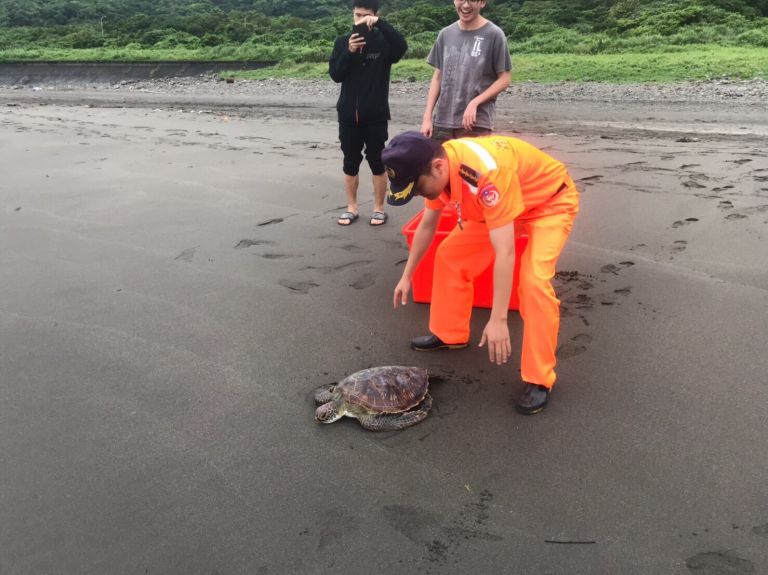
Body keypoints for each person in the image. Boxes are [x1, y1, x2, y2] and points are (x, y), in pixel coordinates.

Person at [382, 131, 579, 414]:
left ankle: (539, 379)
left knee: (534, 282)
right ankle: (449, 334)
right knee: (451, 255)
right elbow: (428, 225)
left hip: (548, 205)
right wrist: (407, 275)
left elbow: (505, 252)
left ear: (438, 167)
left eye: (418, 188)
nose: (418, 194)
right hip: (499, 208)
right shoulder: (436, 166)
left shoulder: (485, 174)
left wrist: (498, 319)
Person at [329, 0, 407, 226]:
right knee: (350, 161)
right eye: (356, 15)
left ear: (374, 15)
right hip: (347, 115)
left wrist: (382, 24)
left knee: (377, 160)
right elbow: (336, 74)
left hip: (375, 114)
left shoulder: (384, 43)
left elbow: (401, 47)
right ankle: (351, 207)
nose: (360, 20)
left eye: (365, 15)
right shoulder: (342, 42)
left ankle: (378, 208)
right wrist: (349, 51)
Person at [421, 0, 511, 142]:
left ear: (482, 3)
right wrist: (427, 117)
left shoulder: (494, 34)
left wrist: (475, 102)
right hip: (442, 122)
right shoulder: (445, 34)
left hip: (476, 122)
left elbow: (504, 79)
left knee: (472, 164)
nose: (466, 5)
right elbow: (438, 77)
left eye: (472, 0)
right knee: (440, 164)